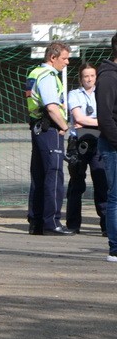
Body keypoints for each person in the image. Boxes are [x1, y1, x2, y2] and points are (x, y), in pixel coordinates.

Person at [25, 41, 75, 236]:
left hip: (38, 127)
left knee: (38, 175)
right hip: (50, 129)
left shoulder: (35, 73)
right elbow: (52, 107)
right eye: (64, 58)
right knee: (54, 175)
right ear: (52, 58)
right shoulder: (48, 76)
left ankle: (36, 222)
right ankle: (52, 222)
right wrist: (64, 125)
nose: (67, 62)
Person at [65, 62, 107, 236]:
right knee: (76, 183)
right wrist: (102, 121)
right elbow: (78, 117)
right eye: (86, 76)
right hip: (79, 140)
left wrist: (90, 120)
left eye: (92, 76)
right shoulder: (74, 94)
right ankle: (73, 225)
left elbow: (87, 119)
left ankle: (107, 225)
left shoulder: (103, 93)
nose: (89, 79)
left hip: (100, 140)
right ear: (80, 78)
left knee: (102, 181)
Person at [94, 34, 117, 261]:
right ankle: (115, 249)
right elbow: (105, 117)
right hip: (113, 146)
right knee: (116, 197)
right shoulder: (109, 78)